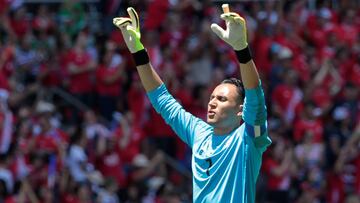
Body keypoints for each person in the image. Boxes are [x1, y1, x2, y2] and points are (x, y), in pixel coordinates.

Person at [113, 4, 271, 202]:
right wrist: (138, 51)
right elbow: (163, 100)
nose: (212, 103)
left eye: (222, 99)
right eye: (212, 97)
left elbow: (255, 100)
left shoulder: (248, 141)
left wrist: (242, 50)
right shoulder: (199, 134)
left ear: (240, 111)